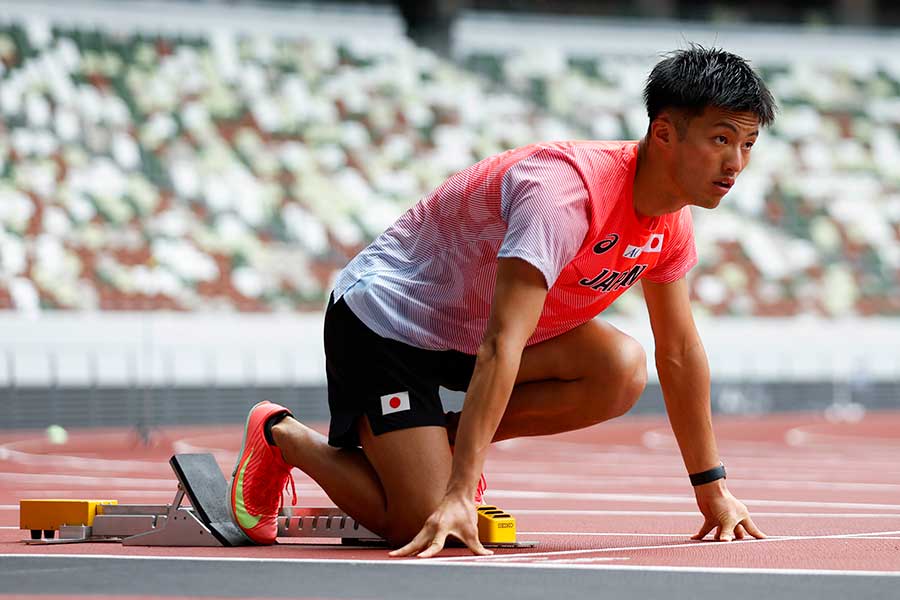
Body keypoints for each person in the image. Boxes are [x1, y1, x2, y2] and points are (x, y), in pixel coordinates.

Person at [228, 45, 777, 557]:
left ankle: (439, 446)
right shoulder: (563, 194)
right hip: (389, 323)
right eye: (721, 140)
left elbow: (678, 351)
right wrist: (461, 490)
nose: (736, 164)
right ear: (663, 134)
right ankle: (282, 435)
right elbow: (502, 342)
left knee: (621, 367)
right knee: (417, 520)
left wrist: (713, 492)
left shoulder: (671, 223)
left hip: (468, 337)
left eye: (748, 145)